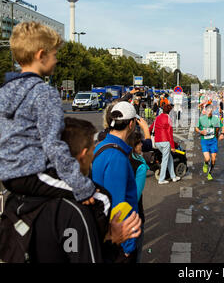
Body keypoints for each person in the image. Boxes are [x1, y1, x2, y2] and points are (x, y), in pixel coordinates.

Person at [0, 117, 142, 263]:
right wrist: (112, 242)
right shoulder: (76, 211)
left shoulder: (19, 197)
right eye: (92, 150)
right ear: (82, 154)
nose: (93, 156)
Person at [0, 21, 96, 205]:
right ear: (41, 55)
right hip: (33, 172)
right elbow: (53, 145)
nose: (57, 59)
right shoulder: (44, 92)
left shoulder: (5, 90)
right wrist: (82, 187)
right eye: (54, 55)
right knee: (99, 197)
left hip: (8, 174)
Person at [92, 101, 141, 262]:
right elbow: (119, 206)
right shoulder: (117, 158)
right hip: (119, 241)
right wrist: (127, 247)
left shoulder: (102, 146)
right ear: (132, 124)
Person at [127, 131, 149, 262]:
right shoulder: (140, 165)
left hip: (115, 212)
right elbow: (136, 195)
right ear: (134, 146)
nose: (142, 144)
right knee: (136, 253)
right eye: (139, 143)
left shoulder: (121, 158)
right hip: (134, 215)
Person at [149, 104, 181, 184]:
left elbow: (150, 128)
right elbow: (170, 133)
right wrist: (173, 146)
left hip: (157, 142)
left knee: (169, 158)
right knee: (165, 160)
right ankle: (161, 179)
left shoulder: (157, 118)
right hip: (165, 141)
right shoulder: (168, 119)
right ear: (170, 111)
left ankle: (173, 177)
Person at [196, 103, 224, 181]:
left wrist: (222, 134)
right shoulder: (201, 119)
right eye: (208, 110)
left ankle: (209, 173)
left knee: (214, 159)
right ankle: (205, 163)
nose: (209, 112)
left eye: (211, 110)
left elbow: (222, 126)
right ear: (205, 110)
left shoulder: (215, 119)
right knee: (207, 158)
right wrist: (201, 131)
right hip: (204, 141)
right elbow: (196, 128)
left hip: (213, 141)